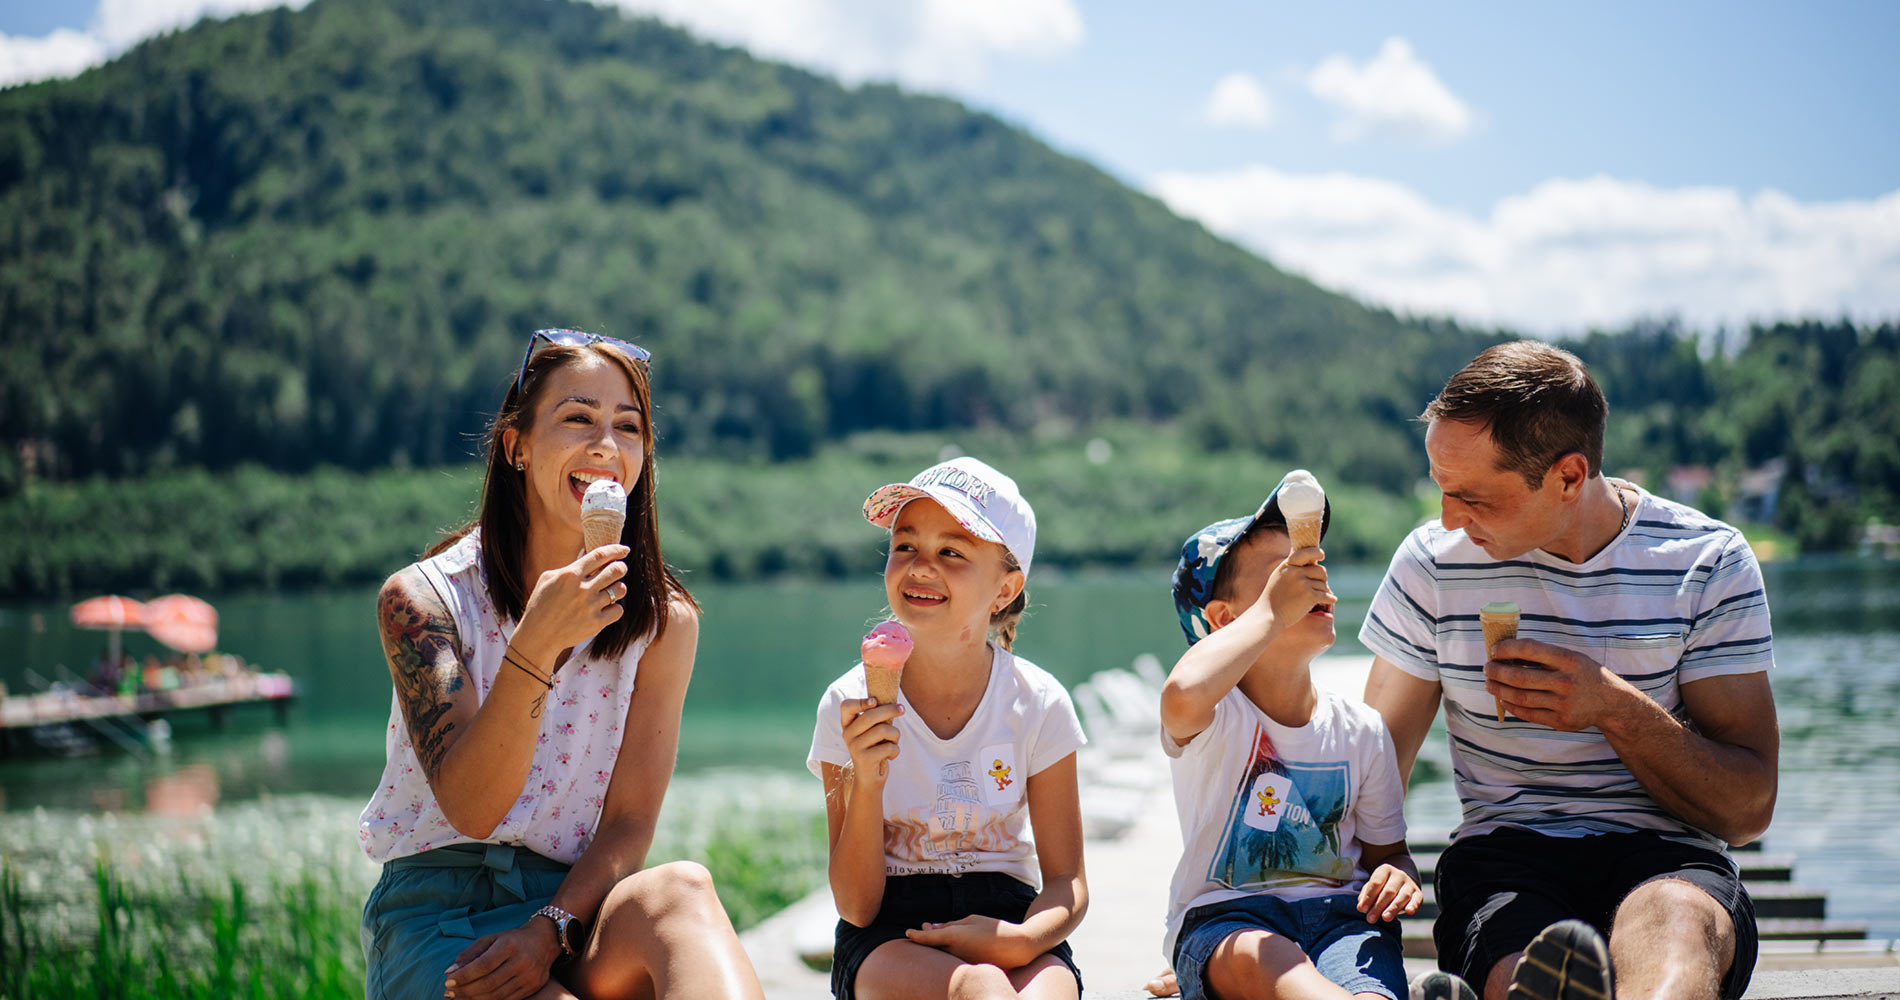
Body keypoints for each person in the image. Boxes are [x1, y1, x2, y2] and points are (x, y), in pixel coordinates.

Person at [1360, 341, 1777, 1000]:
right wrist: (1238, 921)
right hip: (1505, 858)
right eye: (1441, 490)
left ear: (1568, 477)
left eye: (1472, 497)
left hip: (1668, 854)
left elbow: (1749, 810)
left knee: (1673, 921)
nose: (1447, 520)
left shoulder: (1708, 564)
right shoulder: (1432, 564)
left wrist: (1612, 707)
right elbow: (1367, 775)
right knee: (1527, 963)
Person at [357, 328, 764, 1000]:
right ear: (516, 446)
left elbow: (630, 822)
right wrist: (537, 644)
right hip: (439, 916)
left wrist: (550, 928)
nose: (606, 444)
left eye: (627, 428)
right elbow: (474, 807)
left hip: (573, 911)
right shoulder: (423, 602)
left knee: (683, 889)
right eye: (578, 418)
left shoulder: (664, 625)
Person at [808, 457, 1089, 1000]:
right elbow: (855, 905)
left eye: (952, 552)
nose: (920, 566)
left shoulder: (1039, 702)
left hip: (1012, 918)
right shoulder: (848, 703)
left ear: (1004, 590)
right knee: (979, 987)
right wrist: (867, 778)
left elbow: (1066, 883)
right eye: (904, 545)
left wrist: (1025, 939)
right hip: (888, 934)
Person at [1158, 471, 1425, 1000]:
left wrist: (1399, 876)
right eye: (1286, 570)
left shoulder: (1360, 730)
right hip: (1226, 923)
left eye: (1314, 559)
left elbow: (1388, 853)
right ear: (1223, 618)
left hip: (1342, 921)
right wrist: (1271, 612)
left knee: (1370, 980)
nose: (1313, 572)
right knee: (1266, 956)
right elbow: (1182, 691)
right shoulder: (1215, 717)